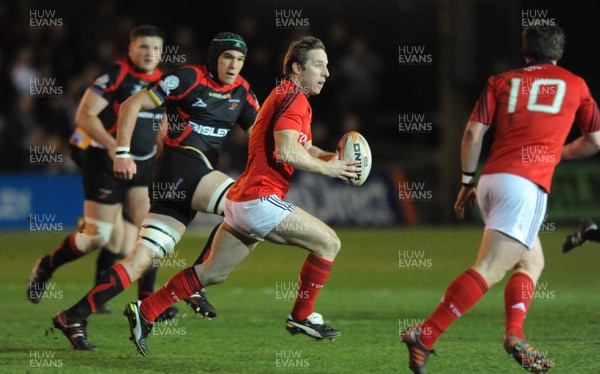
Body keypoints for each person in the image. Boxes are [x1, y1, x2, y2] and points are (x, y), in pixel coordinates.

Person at [121, 36, 361, 357]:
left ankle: (146, 311)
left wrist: (334, 159)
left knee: (211, 273)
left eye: (327, 65)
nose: (326, 72)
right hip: (259, 200)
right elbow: (287, 151)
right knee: (329, 243)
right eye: (319, 65)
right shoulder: (294, 99)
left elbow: (303, 147)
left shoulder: (287, 96)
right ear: (296, 68)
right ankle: (302, 317)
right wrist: (330, 171)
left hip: (241, 199)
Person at [400, 24, 600, 373]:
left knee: (531, 262)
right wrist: (557, 153)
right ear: (559, 52)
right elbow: (595, 140)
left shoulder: (501, 81)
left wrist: (466, 180)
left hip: (492, 181)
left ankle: (515, 335)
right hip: (526, 186)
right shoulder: (576, 84)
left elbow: (473, 132)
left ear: (525, 52)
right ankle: (425, 334)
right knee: (490, 269)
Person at [51, 32, 260, 351]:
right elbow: (131, 105)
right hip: (181, 170)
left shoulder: (242, 93)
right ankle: (194, 284)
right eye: (227, 57)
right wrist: (121, 151)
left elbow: (265, 139)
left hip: (179, 183)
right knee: (245, 206)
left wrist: (315, 154)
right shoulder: (189, 78)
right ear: (214, 57)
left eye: (240, 59)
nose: (234, 65)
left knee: (140, 259)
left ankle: (73, 316)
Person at [27, 25, 175, 317]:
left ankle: (147, 301)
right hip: (106, 164)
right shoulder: (116, 75)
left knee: (152, 230)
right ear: (131, 49)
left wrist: (165, 153)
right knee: (97, 236)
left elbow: (162, 123)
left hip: (142, 166)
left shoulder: (164, 82)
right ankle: (46, 266)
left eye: (155, 48)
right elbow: (84, 115)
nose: (149, 53)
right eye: (143, 47)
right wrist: (112, 146)